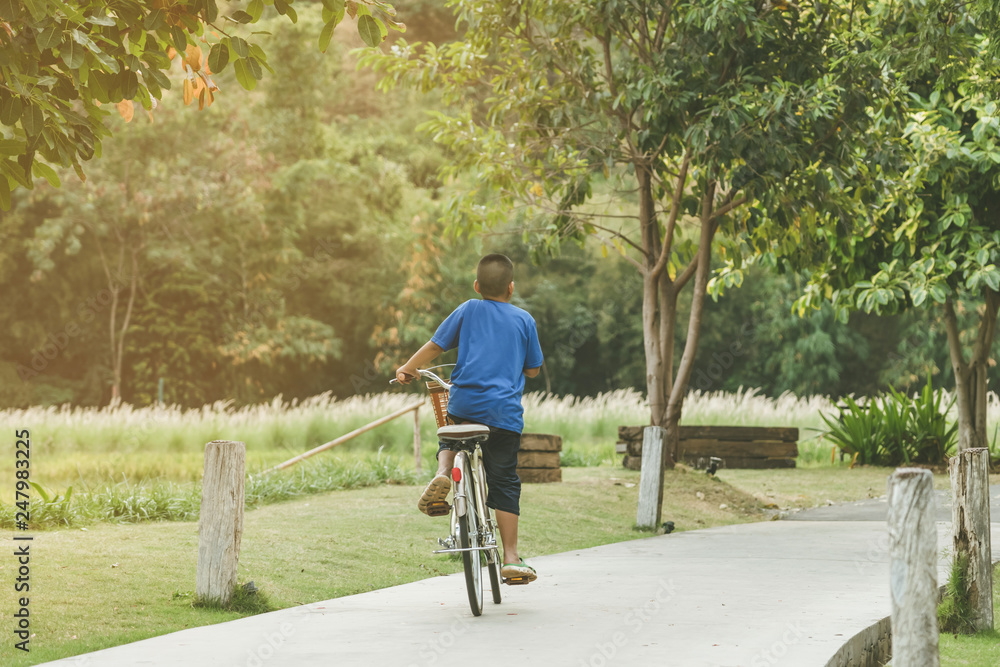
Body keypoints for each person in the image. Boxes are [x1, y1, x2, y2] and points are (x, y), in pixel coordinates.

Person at [395, 253, 543, 583]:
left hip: (466, 404)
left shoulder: (468, 309)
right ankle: (511, 558)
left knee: (451, 426)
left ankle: (443, 472)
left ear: (477, 286)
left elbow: (436, 346)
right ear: (511, 287)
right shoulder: (524, 320)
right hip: (504, 415)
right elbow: (533, 369)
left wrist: (407, 368)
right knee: (504, 480)